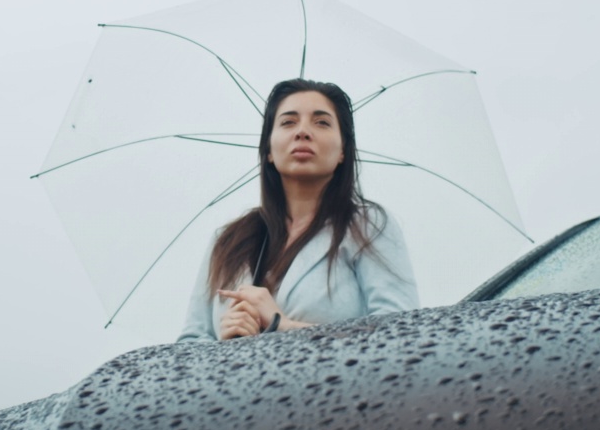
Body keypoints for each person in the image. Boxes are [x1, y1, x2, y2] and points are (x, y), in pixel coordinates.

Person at [177, 78, 419, 342]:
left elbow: (399, 335)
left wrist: (283, 326)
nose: (303, 132)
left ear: (342, 151)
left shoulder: (367, 227)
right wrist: (226, 345)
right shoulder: (227, 240)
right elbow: (189, 346)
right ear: (268, 149)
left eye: (322, 122)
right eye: (288, 122)